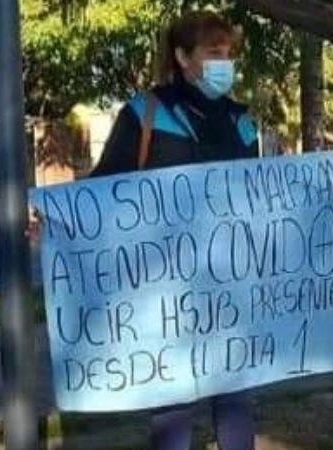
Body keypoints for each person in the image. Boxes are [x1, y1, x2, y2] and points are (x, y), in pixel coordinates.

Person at [91, 11, 257, 450]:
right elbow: (103, 188)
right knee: (173, 404)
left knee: (236, 396)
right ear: (183, 57)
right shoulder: (144, 114)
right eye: (213, 52)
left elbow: (259, 199)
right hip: (165, 291)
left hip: (231, 286)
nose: (224, 63)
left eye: (228, 53)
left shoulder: (243, 124)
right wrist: (58, 220)